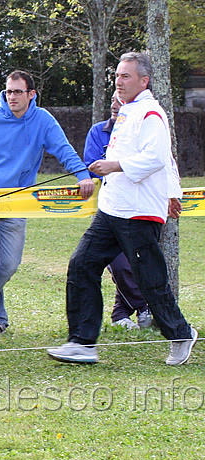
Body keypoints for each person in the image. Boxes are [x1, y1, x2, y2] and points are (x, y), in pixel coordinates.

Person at [48, 52, 197, 365]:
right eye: (117, 75)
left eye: (126, 76)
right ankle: (82, 342)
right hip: (112, 209)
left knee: (149, 280)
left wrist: (114, 166)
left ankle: (181, 333)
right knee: (81, 264)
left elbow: (158, 158)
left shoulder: (151, 114)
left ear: (144, 80)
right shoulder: (128, 112)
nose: (119, 81)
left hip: (139, 212)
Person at [0, 70, 94, 336]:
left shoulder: (43, 121)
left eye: (18, 91)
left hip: (18, 200)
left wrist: (83, 175)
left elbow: (63, 149)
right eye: (8, 91)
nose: (12, 96)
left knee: (7, 264)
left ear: (31, 94)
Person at [83, 92, 152, 330]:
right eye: (112, 99)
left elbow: (151, 163)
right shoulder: (98, 132)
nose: (115, 105)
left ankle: (121, 314)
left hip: (139, 206)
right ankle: (145, 307)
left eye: (120, 100)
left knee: (138, 261)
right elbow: (91, 166)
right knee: (119, 263)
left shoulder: (144, 127)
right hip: (109, 209)